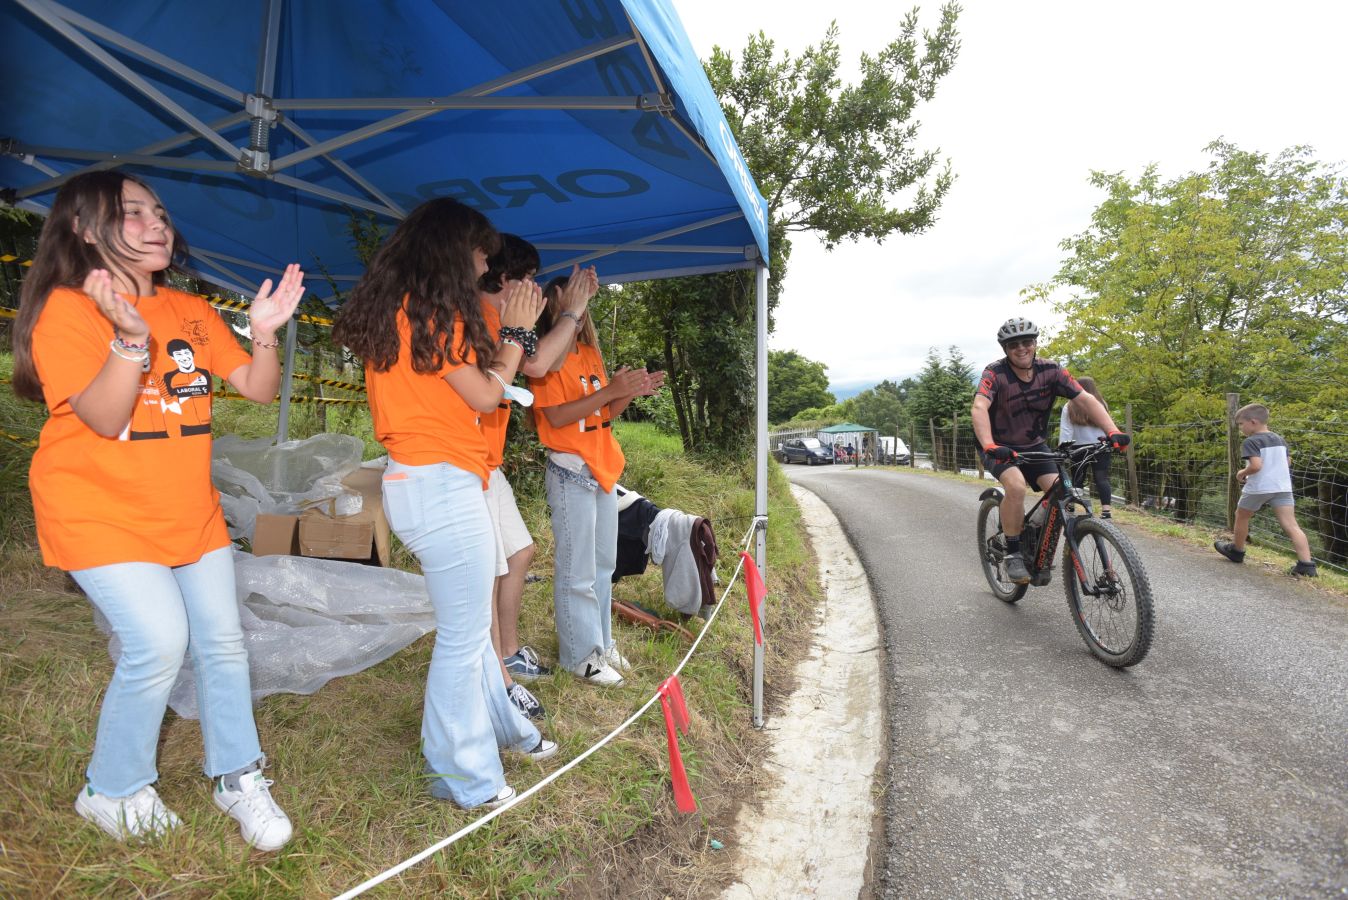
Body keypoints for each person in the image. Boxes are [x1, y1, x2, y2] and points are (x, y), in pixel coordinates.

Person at [11, 170, 297, 848]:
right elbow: (105, 419)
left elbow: (258, 389)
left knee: (223, 641)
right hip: (96, 511)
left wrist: (263, 333)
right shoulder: (66, 310)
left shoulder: (190, 309)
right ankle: (112, 791)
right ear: (84, 229)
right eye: (132, 212)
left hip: (189, 510)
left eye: (159, 212)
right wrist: (130, 340)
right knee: (158, 641)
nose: (156, 223)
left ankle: (237, 776)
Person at [331, 198, 557, 811]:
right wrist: (516, 334)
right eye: (481, 255)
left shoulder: (405, 311)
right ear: (455, 251)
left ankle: (505, 731)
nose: (485, 267)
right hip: (440, 485)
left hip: (423, 482)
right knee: (462, 637)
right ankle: (461, 775)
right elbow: (485, 396)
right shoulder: (435, 316)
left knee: (472, 631)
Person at [477, 233, 601, 721]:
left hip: (488, 461)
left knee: (520, 552)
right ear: (503, 277)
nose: (533, 287)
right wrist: (570, 312)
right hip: (465, 464)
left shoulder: (504, 316)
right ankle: (497, 677)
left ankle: (507, 651)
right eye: (527, 278)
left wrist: (573, 314)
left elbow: (544, 359)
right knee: (489, 570)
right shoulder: (486, 316)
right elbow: (538, 363)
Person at [529, 276, 664, 686]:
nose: (581, 306)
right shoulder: (543, 357)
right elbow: (556, 417)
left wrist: (629, 392)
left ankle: (601, 643)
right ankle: (580, 656)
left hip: (603, 468)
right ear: (554, 302)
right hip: (570, 472)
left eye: (585, 300)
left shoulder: (589, 353)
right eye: (574, 298)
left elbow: (600, 415)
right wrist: (609, 392)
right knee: (578, 569)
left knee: (604, 564)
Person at [971, 317, 1129, 584]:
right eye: (1014, 345)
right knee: (1016, 487)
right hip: (999, 446)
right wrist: (989, 444)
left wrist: (1112, 431)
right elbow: (979, 407)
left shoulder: (1052, 370)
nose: (1021, 348)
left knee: (1061, 492)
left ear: (1035, 343)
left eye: (1027, 342)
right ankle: (1013, 552)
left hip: (1034, 446)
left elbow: (1086, 399)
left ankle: (1034, 538)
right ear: (1005, 349)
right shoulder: (995, 373)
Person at [1214, 403, 1318, 577]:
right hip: (1282, 486)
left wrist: (1241, 473)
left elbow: (1256, 466)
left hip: (1259, 487)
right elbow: (1287, 462)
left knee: (1242, 515)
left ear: (1253, 422)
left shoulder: (1251, 441)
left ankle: (1237, 550)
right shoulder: (1279, 439)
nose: (1240, 428)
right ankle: (1307, 565)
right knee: (1291, 524)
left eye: (1241, 424)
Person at [1059, 375, 1114, 518]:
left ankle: (1071, 507)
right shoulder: (1101, 403)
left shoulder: (1069, 406)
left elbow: (1066, 430)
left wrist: (1063, 448)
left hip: (1078, 448)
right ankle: (1106, 511)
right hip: (1100, 446)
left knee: (1077, 477)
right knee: (1101, 478)